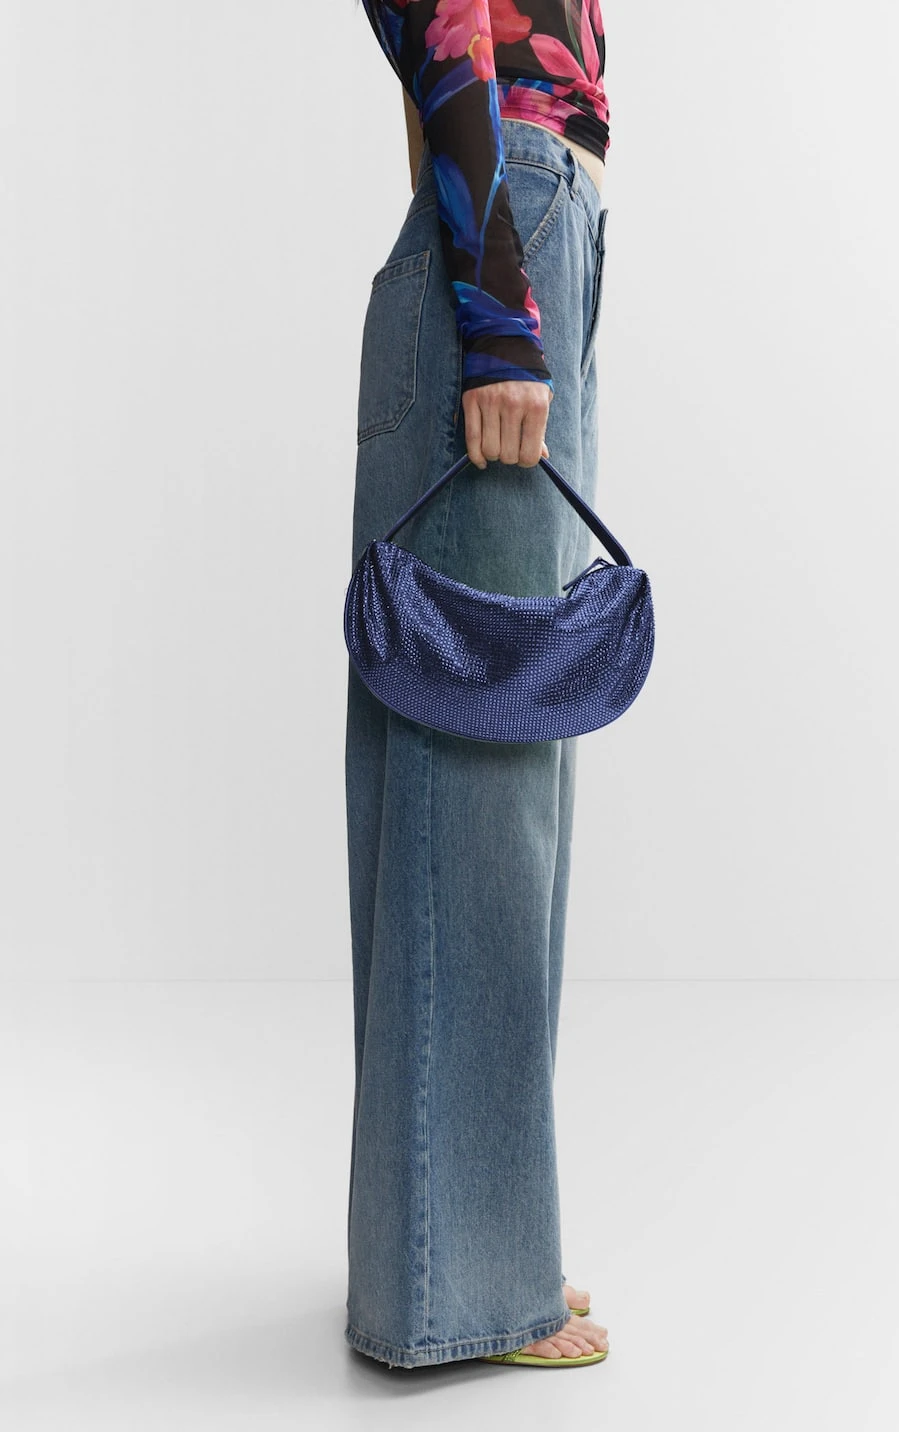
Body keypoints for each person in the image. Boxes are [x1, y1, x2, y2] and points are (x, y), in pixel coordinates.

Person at [346, 0, 612, 1369]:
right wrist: (499, 314)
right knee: (478, 772)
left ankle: (469, 1240)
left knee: (508, 759)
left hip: (523, 226)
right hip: (504, 238)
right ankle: (459, 1282)